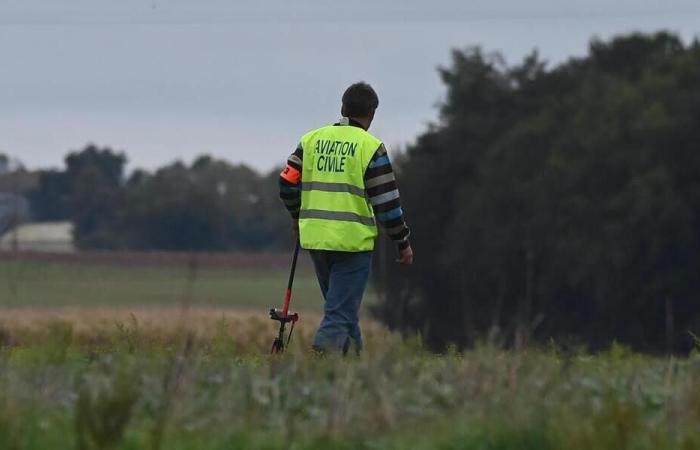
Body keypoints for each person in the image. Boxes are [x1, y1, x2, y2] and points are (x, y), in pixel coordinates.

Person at [279, 81, 413, 354]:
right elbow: (387, 203)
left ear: (342, 108)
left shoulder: (311, 140)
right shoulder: (370, 147)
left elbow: (287, 183)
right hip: (352, 244)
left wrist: (297, 216)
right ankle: (322, 357)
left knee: (343, 309)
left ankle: (354, 375)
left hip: (316, 240)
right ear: (371, 114)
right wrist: (402, 241)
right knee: (340, 313)